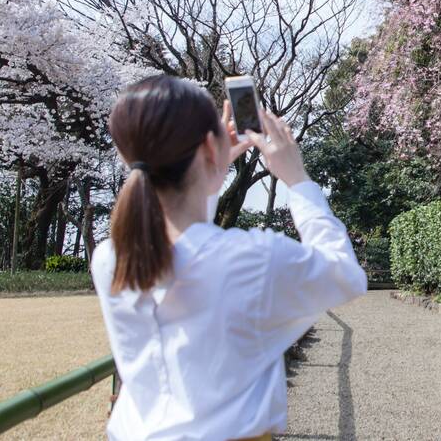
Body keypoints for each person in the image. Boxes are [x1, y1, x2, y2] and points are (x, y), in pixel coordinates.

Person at [91, 75, 367, 441]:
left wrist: (209, 172)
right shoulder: (253, 260)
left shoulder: (111, 257)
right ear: (209, 147)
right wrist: (298, 179)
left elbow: (189, 243)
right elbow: (345, 275)